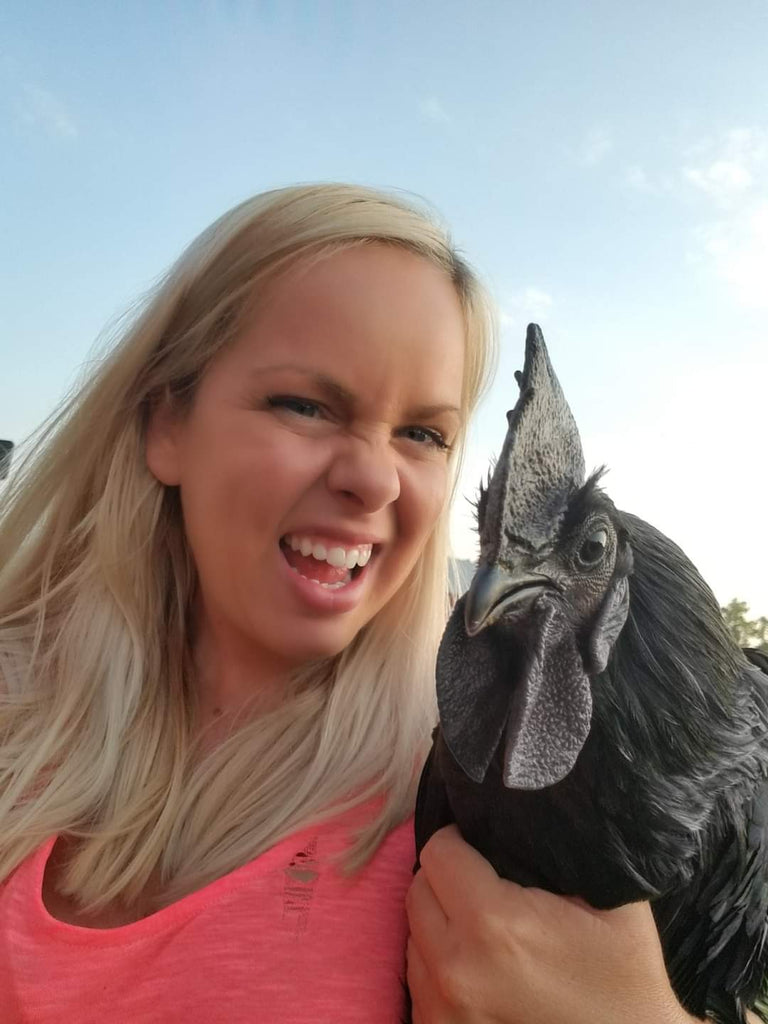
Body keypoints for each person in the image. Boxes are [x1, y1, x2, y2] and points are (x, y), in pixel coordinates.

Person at [0, 184, 737, 1023]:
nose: (375, 478)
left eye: (422, 434)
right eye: (305, 405)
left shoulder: (482, 831)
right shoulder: (14, 708)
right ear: (167, 423)